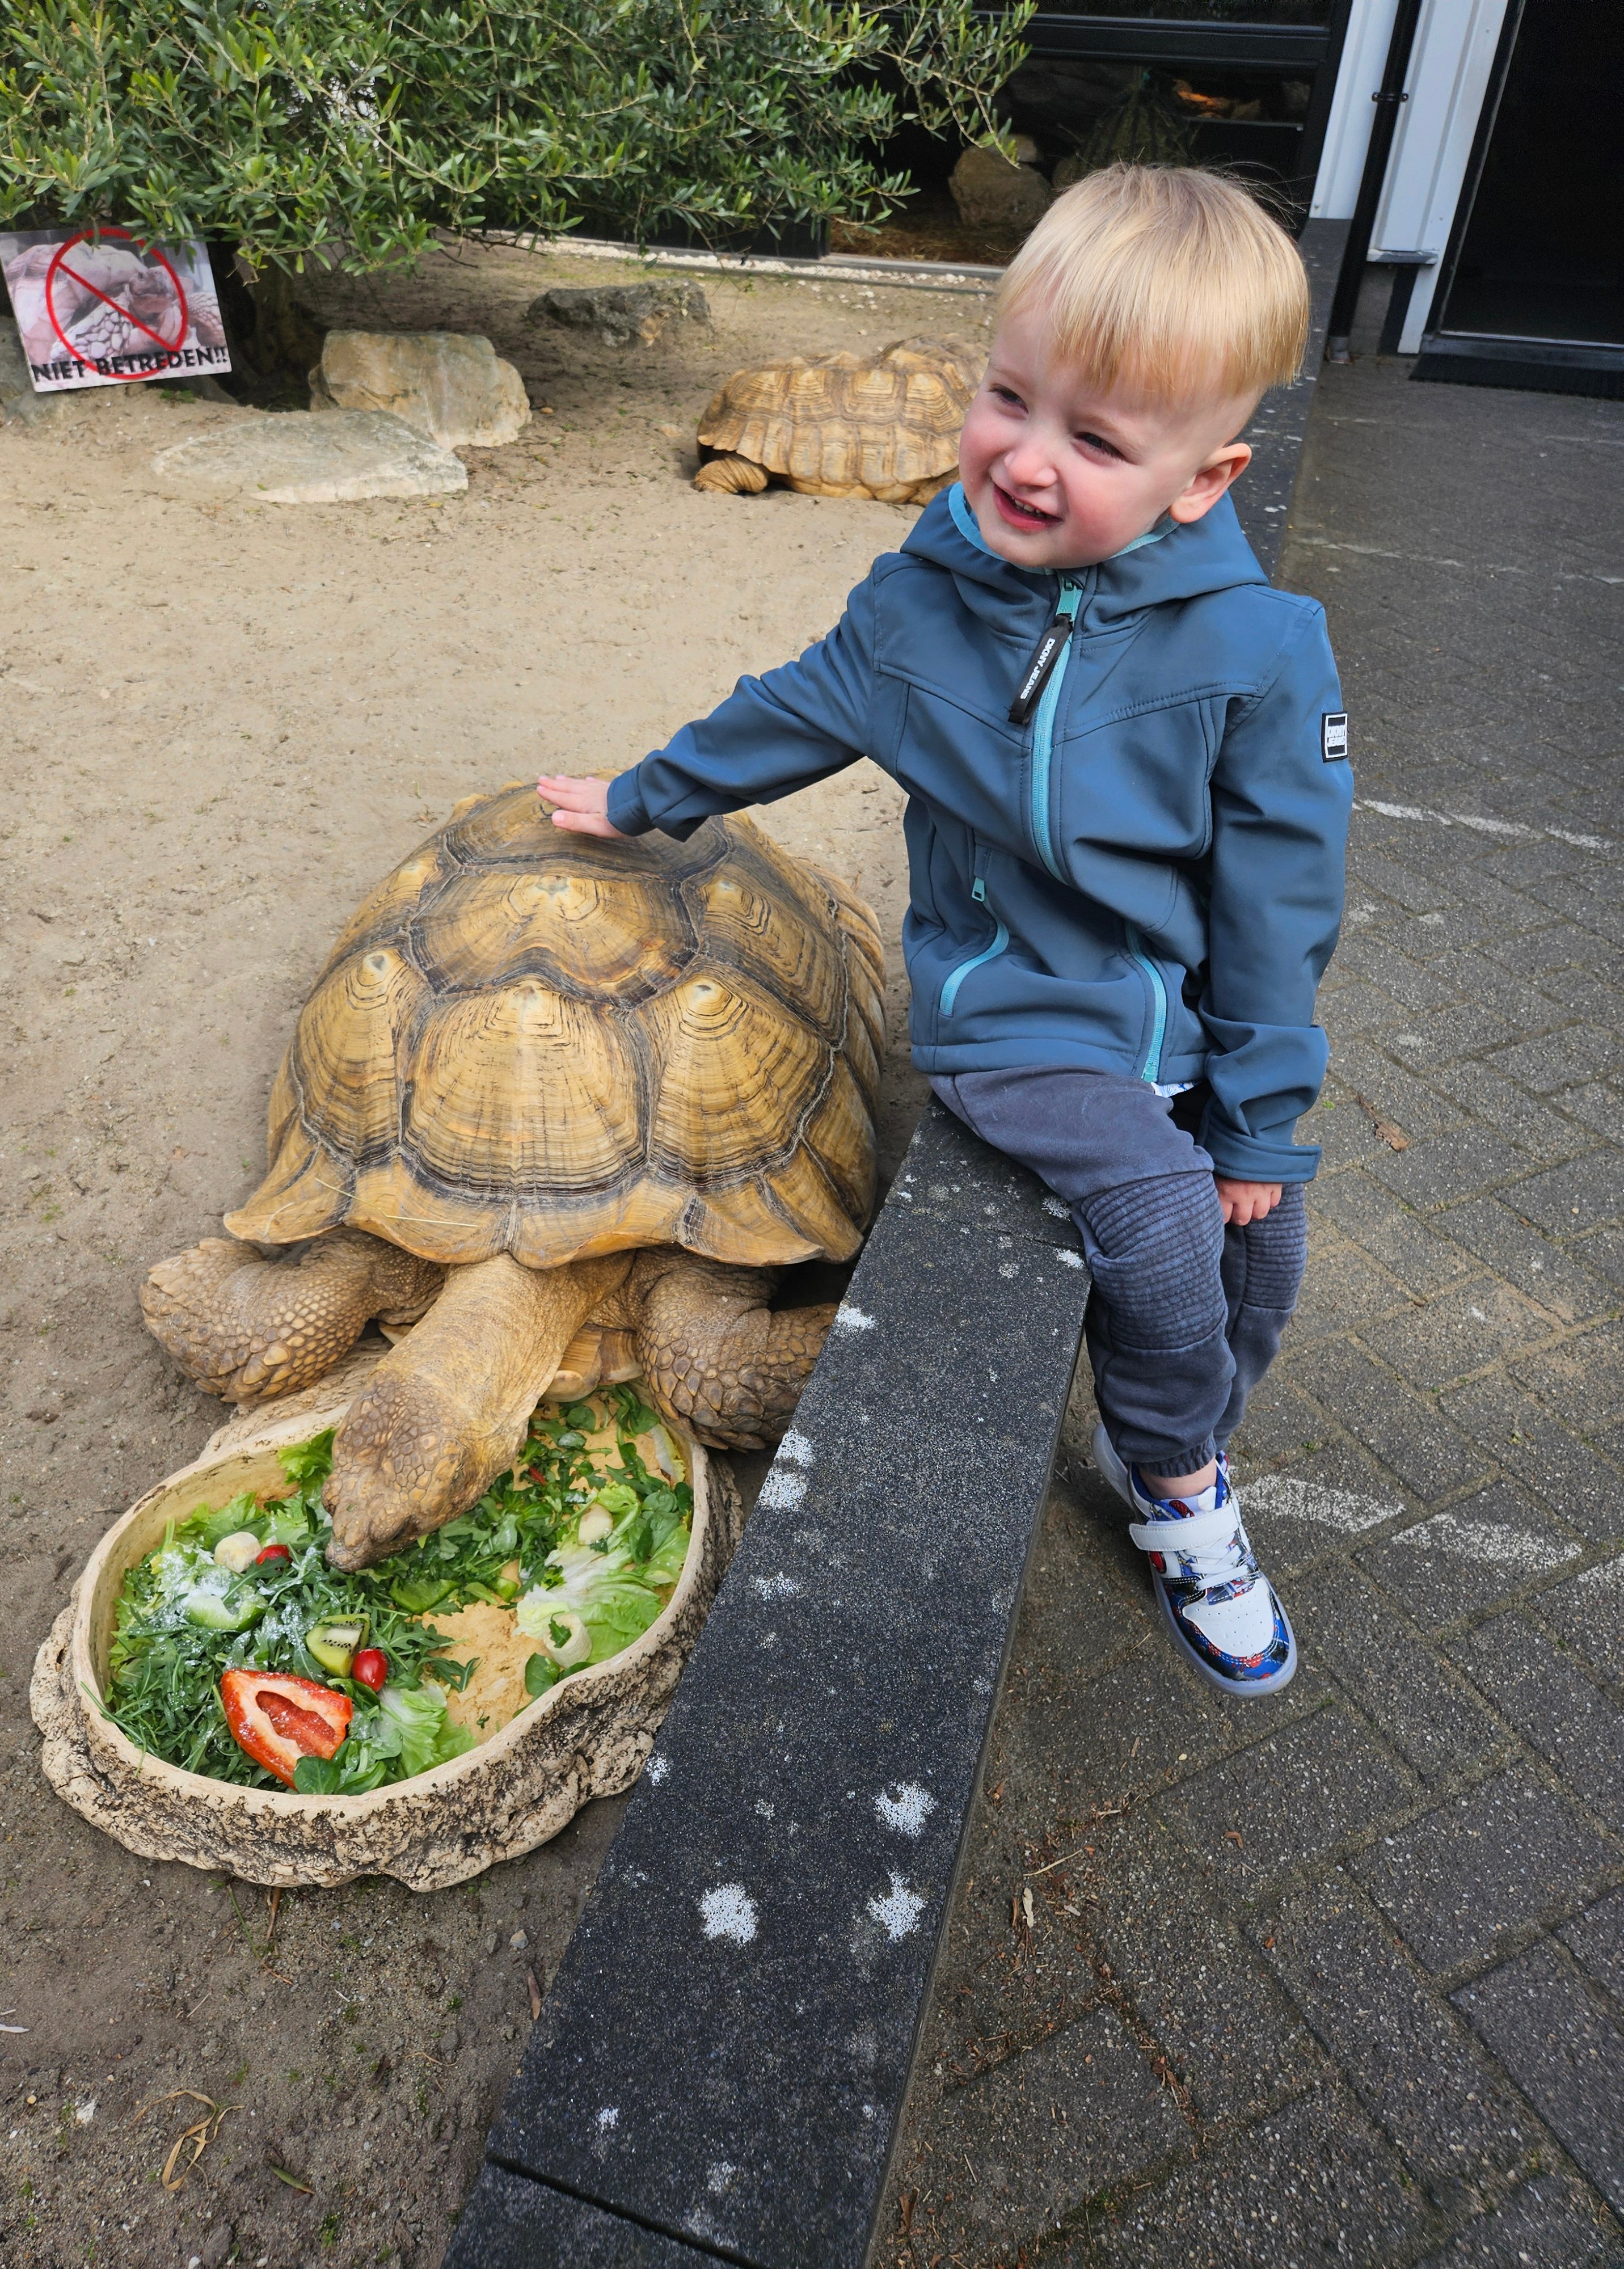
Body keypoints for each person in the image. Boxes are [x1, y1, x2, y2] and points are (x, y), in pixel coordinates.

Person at [540, 163, 1350, 1697]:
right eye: (1009, 397)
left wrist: (1259, 1107)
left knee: (1267, 1224)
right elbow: (791, 710)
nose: (1025, 458)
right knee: (1165, 1219)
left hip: (1180, 1003)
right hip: (1017, 1013)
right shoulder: (921, 605)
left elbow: (1280, 899)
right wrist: (644, 795)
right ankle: (1181, 1491)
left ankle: (1181, 1417)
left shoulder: (1261, 652)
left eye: (1095, 440)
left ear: (1205, 479)